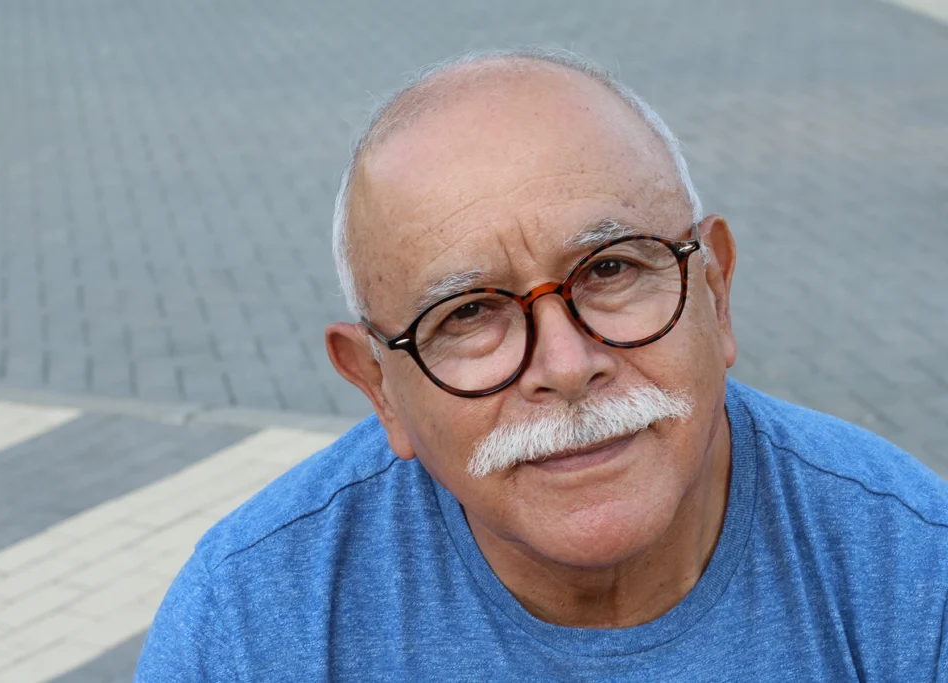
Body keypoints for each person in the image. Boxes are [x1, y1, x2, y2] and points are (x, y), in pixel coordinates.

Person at [135, 48, 948, 681]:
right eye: (469, 314)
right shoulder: (252, 624)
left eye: (610, 269)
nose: (565, 364)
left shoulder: (912, 568)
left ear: (717, 291)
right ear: (378, 386)